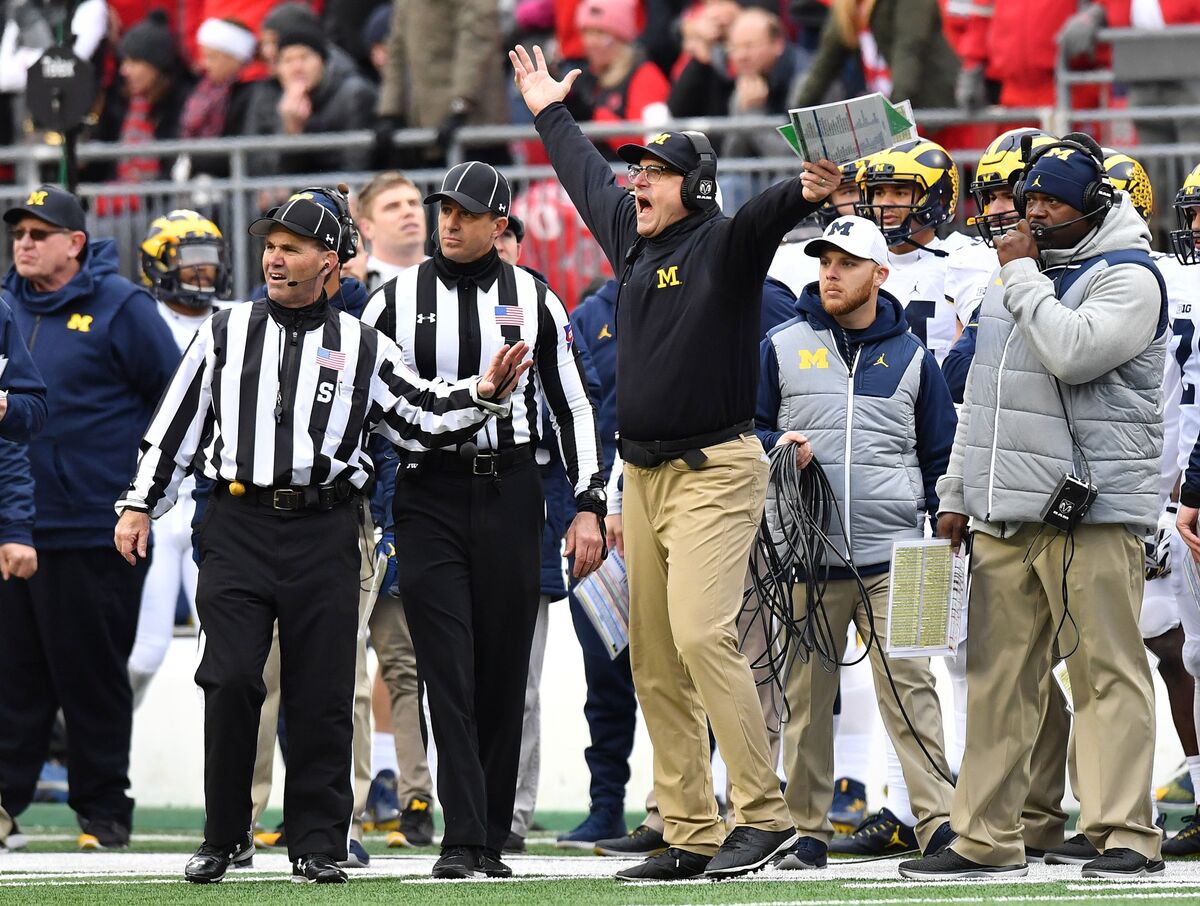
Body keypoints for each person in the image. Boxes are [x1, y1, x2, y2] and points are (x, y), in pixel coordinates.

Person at [114, 190, 532, 885]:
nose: (275, 258)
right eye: (271, 246)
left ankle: (316, 840)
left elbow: (421, 413)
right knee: (231, 675)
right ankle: (224, 835)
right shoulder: (224, 331)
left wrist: (483, 395)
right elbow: (175, 426)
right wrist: (138, 505)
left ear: (330, 260)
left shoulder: (365, 344)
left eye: (294, 247)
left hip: (328, 524)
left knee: (322, 687)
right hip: (238, 521)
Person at [511, 42, 842, 881]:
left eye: (652, 173)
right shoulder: (629, 237)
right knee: (653, 656)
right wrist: (550, 110)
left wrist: (804, 190)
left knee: (700, 634)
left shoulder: (726, 246)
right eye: (638, 173)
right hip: (644, 476)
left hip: (716, 471)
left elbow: (769, 214)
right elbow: (585, 173)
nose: (635, 184)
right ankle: (690, 830)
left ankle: (761, 814)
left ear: (693, 186)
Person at [901, 133, 1168, 880]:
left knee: (1104, 675)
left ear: (1095, 206)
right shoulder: (1014, 276)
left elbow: (1073, 351)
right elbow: (980, 399)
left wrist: (1018, 275)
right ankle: (985, 836)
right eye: (1029, 200)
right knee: (996, 680)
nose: (1034, 212)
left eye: (1051, 200)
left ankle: (1123, 834)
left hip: (1094, 514)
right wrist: (956, 493)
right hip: (1005, 512)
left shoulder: (1128, 276)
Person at [361, 159, 605, 880]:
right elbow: (375, 405)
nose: (450, 223)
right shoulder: (392, 300)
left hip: (510, 491)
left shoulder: (536, 297)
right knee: (446, 666)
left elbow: (572, 405)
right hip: (427, 492)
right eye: (446, 211)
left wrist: (588, 499)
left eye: (467, 214)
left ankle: (490, 835)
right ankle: (460, 833)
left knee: (502, 669)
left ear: (501, 224)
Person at [755, 214, 958, 870]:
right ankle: (806, 832)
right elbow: (746, 434)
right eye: (824, 261)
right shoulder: (782, 345)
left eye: (845, 262)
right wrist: (774, 447)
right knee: (806, 704)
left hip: (899, 554)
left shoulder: (914, 358)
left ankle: (939, 825)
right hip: (804, 554)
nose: (830, 273)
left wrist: (949, 530)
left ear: (880, 274)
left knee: (912, 690)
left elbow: (941, 457)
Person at [0, 184, 180, 851]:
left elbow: (174, 399)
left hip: (93, 526)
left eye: (39, 233)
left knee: (91, 674)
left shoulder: (122, 308)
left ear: (75, 244)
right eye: (19, 232)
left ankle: (103, 811)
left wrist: (141, 496)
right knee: (12, 676)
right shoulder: (3, 308)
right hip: (14, 526)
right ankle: (5, 802)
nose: (23, 243)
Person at [127, 210, 233, 704]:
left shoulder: (239, 318)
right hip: (158, 497)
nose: (200, 271)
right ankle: (79, 738)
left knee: (226, 654)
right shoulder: (138, 320)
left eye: (208, 260)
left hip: (219, 498)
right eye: (188, 260)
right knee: (143, 653)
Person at [354, 172, 429, 291]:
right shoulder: (356, 283)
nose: (408, 212)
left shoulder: (451, 274)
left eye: (413, 203)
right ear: (367, 228)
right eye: (392, 206)